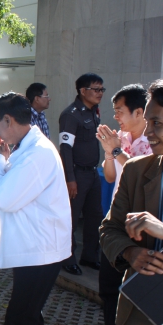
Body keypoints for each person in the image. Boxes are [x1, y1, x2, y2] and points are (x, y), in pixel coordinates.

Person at [0, 92, 71, 325]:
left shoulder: (38, 154)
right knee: (30, 319)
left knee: (18, 324)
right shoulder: (27, 148)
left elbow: (4, 197)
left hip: (40, 253)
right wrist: (2, 159)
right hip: (34, 251)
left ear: (8, 120)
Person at [100, 79, 163, 325]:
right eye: (148, 121)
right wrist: (130, 252)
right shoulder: (136, 170)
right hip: (142, 310)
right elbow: (110, 229)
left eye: (157, 123)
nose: (148, 131)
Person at [83, 84, 151, 325]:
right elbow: (110, 177)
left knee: (142, 292)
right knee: (109, 287)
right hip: (117, 223)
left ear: (139, 112)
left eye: (120, 111)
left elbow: (141, 174)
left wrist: (116, 150)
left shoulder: (153, 140)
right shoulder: (119, 138)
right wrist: (110, 153)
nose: (116, 117)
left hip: (145, 227)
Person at [59, 73, 105, 275]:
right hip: (77, 174)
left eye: (102, 89)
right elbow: (65, 148)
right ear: (83, 91)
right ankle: (67, 258)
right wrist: (70, 178)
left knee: (95, 216)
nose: (100, 93)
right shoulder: (71, 115)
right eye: (96, 89)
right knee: (71, 217)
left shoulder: (94, 112)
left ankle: (90, 257)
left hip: (93, 173)